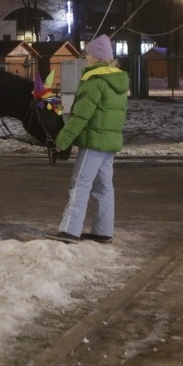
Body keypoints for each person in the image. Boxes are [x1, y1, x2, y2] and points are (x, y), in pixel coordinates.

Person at [45, 34, 129, 244]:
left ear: (98, 57)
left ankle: (70, 230)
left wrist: (61, 142)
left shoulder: (94, 81)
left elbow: (80, 116)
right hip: (108, 143)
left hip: (93, 142)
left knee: (80, 184)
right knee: (104, 187)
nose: (86, 57)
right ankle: (103, 231)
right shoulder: (117, 81)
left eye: (89, 54)